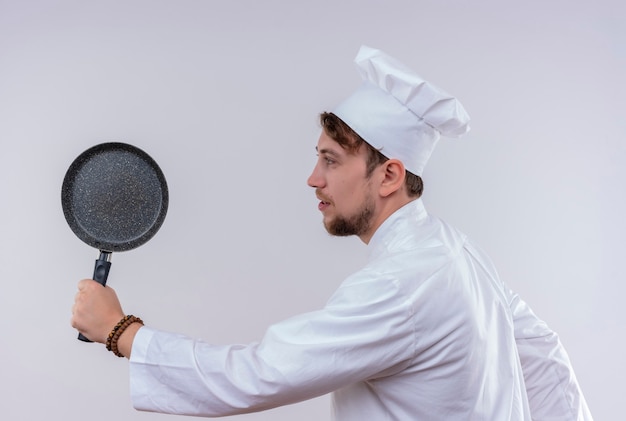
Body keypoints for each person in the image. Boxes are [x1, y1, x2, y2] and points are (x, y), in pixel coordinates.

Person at [71, 45, 593, 420]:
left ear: (388, 174)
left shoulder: (399, 287)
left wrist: (121, 331)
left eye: (330, 161)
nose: (313, 178)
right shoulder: (457, 252)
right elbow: (546, 359)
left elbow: (259, 375)